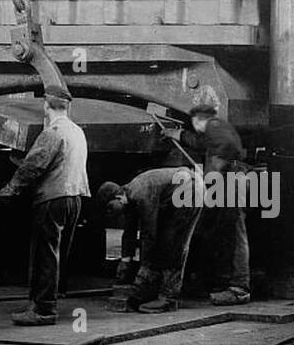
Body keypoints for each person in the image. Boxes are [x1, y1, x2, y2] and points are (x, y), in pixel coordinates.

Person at [0, 85, 89, 326]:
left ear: (46, 106)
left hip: (52, 197)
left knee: (44, 254)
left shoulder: (52, 132)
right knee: (57, 253)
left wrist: (6, 192)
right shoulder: (77, 131)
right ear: (67, 106)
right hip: (74, 196)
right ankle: (49, 300)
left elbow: (32, 167)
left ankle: (43, 310)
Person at [96, 167, 204, 313]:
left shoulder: (140, 194)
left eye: (110, 208)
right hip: (180, 190)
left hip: (189, 189)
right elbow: (130, 232)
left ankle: (168, 298)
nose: (111, 214)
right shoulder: (129, 198)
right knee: (164, 242)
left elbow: (149, 234)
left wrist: (142, 276)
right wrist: (125, 261)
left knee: (173, 243)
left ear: (117, 198)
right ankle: (153, 290)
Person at [184, 98, 250, 305]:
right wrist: (178, 135)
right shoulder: (218, 129)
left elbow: (225, 146)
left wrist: (215, 170)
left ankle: (240, 288)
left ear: (198, 120)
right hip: (233, 179)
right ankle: (225, 282)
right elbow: (202, 143)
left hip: (230, 180)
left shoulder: (214, 124)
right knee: (225, 231)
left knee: (235, 233)